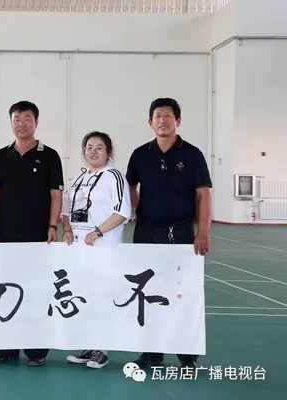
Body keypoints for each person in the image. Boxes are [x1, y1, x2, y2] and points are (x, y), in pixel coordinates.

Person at [126, 97, 212, 369]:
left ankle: (186, 355)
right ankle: (152, 353)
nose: (162, 121)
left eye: (168, 116)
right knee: (148, 292)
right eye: (157, 116)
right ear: (150, 123)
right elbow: (129, 186)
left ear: (178, 121)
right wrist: (134, 209)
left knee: (180, 292)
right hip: (146, 232)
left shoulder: (192, 154)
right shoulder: (140, 154)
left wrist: (203, 232)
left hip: (182, 233)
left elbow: (203, 194)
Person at [0, 100, 64, 367]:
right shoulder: (0, 156)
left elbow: (56, 195)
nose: (21, 124)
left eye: (27, 119)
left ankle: (36, 350)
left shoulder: (50, 155)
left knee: (36, 292)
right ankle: (7, 349)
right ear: (11, 123)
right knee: (5, 290)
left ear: (36, 123)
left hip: (37, 236)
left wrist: (52, 226)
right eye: (16, 119)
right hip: (5, 236)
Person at [62, 131, 131, 369]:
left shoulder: (114, 176)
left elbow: (122, 212)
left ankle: (101, 350)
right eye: (89, 147)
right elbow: (66, 210)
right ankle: (88, 346)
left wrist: (98, 232)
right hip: (79, 249)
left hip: (103, 247)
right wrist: (67, 229)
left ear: (108, 152)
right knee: (85, 296)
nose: (93, 151)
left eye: (99, 147)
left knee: (102, 297)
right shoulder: (79, 178)